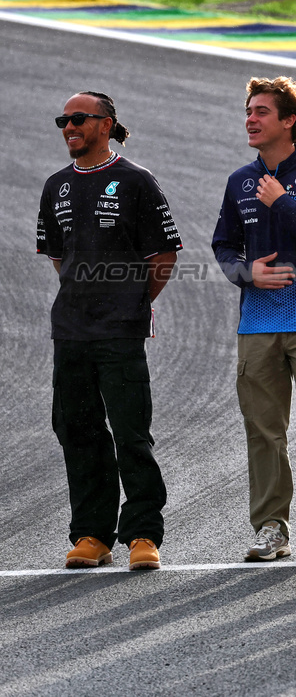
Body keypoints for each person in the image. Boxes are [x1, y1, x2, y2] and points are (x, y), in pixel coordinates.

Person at [37, 91, 182, 571]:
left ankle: (142, 533)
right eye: (64, 119)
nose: (68, 126)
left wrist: (129, 305)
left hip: (120, 333)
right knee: (77, 431)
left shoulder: (136, 181)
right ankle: (92, 535)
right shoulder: (55, 185)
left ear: (105, 124)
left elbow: (163, 258)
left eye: (78, 118)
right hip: (71, 332)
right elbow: (60, 258)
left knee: (130, 431)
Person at [212, 77, 296, 562]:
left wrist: (282, 202)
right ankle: (272, 528)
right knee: (264, 432)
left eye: (262, 112)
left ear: (289, 121)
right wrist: (248, 273)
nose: (250, 119)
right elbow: (223, 247)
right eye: (248, 111)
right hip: (256, 326)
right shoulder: (238, 182)